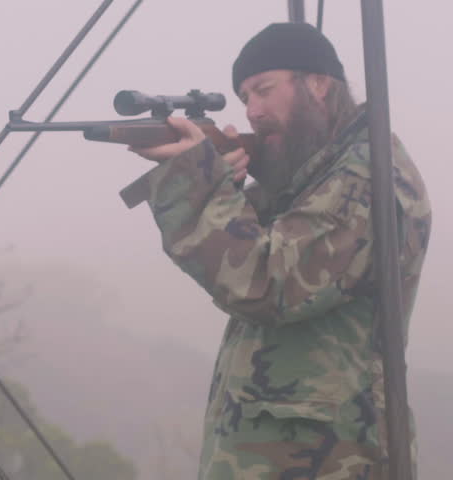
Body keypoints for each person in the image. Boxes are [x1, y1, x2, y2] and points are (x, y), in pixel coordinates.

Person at [126, 22, 431, 480]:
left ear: (318, 83)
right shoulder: (312, 174)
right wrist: (225, 181)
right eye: (245, 98)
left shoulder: (368, 177)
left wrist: (197, 182)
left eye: (264, 90)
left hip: (333, 459)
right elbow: (261, 240)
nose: (252, 111)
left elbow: (269, 281)